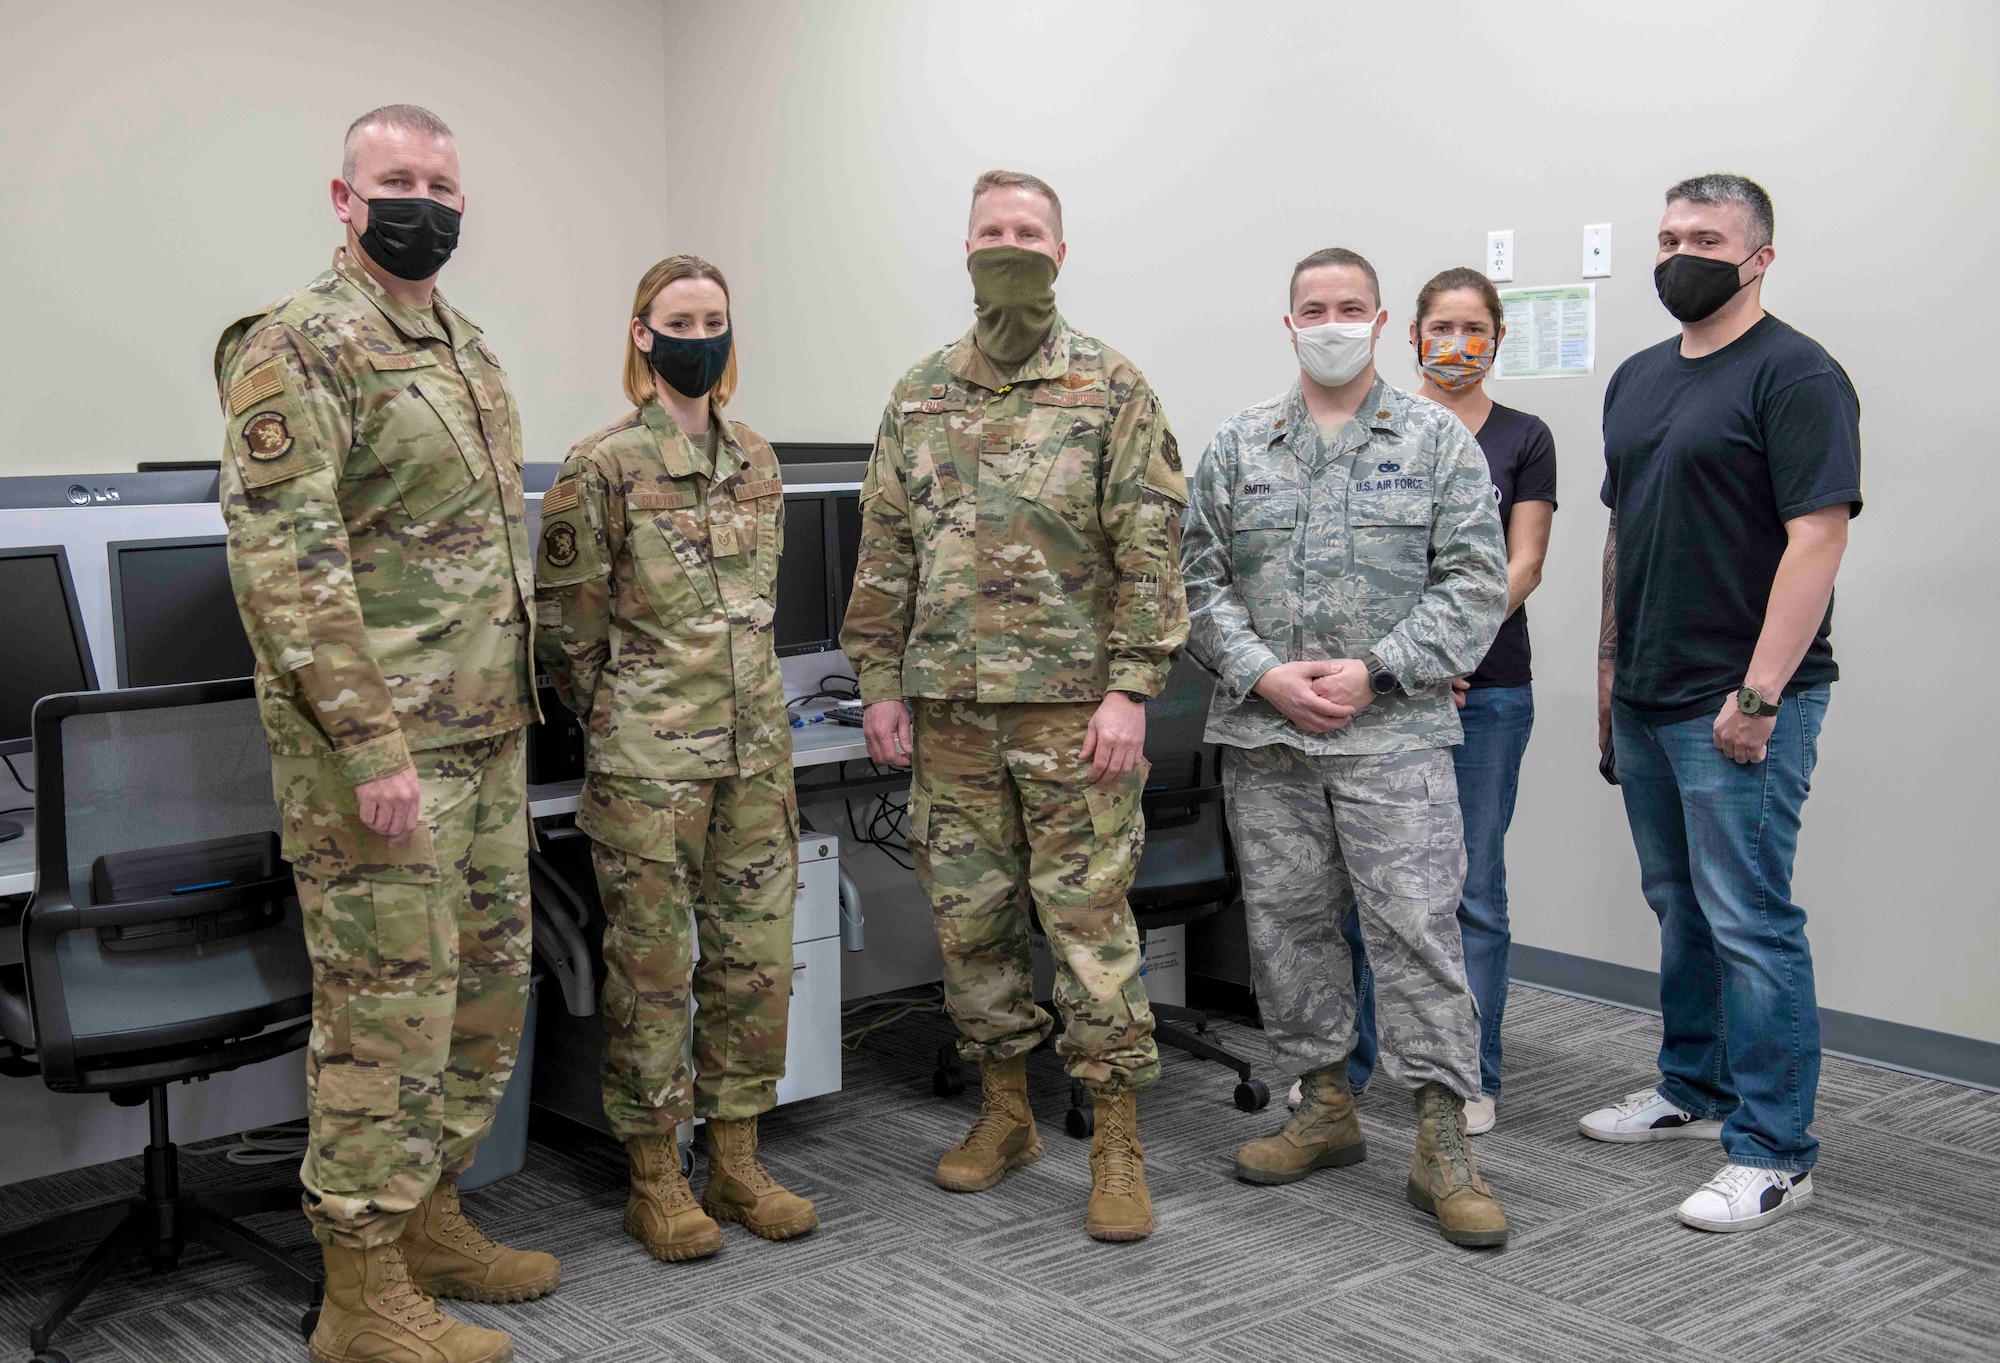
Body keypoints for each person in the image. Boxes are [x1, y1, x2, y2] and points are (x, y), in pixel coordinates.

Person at [214, 105, 556, 1363]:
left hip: (482, 737)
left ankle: (428, 1221)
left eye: (443, 182)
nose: (426, 200)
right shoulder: (298, 345)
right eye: (397, 179)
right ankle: (359, 1289)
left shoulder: (459, 342)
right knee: (384, 1018)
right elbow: (287, 569)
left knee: (477, 1001)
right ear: (344, 197)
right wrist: (368, 748)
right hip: (383, 757)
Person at [840, 170, 1189, 1242]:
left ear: (1059, 252)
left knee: (1087, 926)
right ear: (965, 247)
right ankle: (1005, 1115)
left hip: (1071, 713)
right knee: (970, 924)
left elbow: (1150, 549)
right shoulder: (918, 392)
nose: (1009, 246)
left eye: (1027, 232)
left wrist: (1131, 687)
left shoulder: (1109, 387)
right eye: (992, 230)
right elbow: (885, 547)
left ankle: (1118, 1138)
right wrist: (879, 680)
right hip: (948, 712)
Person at [1182, 247, 1512, 1248]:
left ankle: (1441, 1140)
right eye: (1312, 308)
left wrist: (1374, 667)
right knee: (1284, 928)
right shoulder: (1239, 445)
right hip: (1268, 735)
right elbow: (1195, 581)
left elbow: (1473, 581)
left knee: (1414, 929)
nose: (1330, 321)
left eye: (1349, 307)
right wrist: (1262, 673)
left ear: (1378, 323)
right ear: (1288, 324)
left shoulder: (1436, 442)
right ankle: (1320, 1106)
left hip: (1394, 734)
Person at [1581, 174, 1859, 1234]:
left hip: (1736, 698)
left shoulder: (1795, 374)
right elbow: (1621, 533)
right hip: (1647, 692)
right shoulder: (1637, 379)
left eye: (1702, 237)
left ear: (1758, 257)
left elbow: (1817, 535)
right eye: (1664, 236)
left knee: (1749, 921)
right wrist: (1607, 676)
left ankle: (1774, 1148)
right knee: (1677, 903)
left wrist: (1756, 693)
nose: (1676, 254)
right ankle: (1691, 1088)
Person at [535, 255, 817, 1262]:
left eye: (716, 317)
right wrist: (628, 713)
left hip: (755, 757)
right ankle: (656, 1174)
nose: (702, 333)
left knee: (755, 966)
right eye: (680, 318)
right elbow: (567, 633)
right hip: (650, 762)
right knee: (653, 973)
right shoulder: (599, 466)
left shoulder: (758, 460)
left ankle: (735, 1161)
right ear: (643, 335)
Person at [1336, 268, 1557, 1134]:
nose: (1456, 343)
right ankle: (1342, 1072)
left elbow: (1525, 562)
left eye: (1474, 328)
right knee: (1365, 887)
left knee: (1474, 892)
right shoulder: (1371, 425)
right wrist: (1405, 662)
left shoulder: (1525, 437)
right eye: (1441, 326)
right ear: (1412, 334)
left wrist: (1450, 646)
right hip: (1381, 690)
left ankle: (1472, 1073)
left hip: (1489, 688)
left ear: (1497, 338)